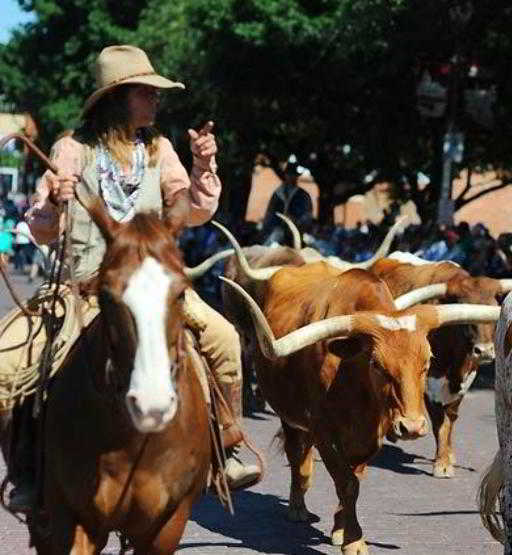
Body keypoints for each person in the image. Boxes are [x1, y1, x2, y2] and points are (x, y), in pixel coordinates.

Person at [5, 45, 260, 512]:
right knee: (8, 365)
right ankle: (26, 467)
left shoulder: (160, 149)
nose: (156, 101)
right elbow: (41, 226)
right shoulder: (72, 148)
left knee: (223, 338)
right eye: (147, 92)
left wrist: (203, 167)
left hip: (153, 285)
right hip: (83, 289)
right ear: (119, 98)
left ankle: (226, 446)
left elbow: (194, 210)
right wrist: (55, 202)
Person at [262, 157, 313, 245]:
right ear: (285, 175)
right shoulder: (277, 194)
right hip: (278, 230)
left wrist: (295, 221)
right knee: (271, 244)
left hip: (297, 231)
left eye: (294, 175)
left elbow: (307, 216)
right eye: (289, 174)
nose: (292, 177)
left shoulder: (303, 195)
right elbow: (270, 214)